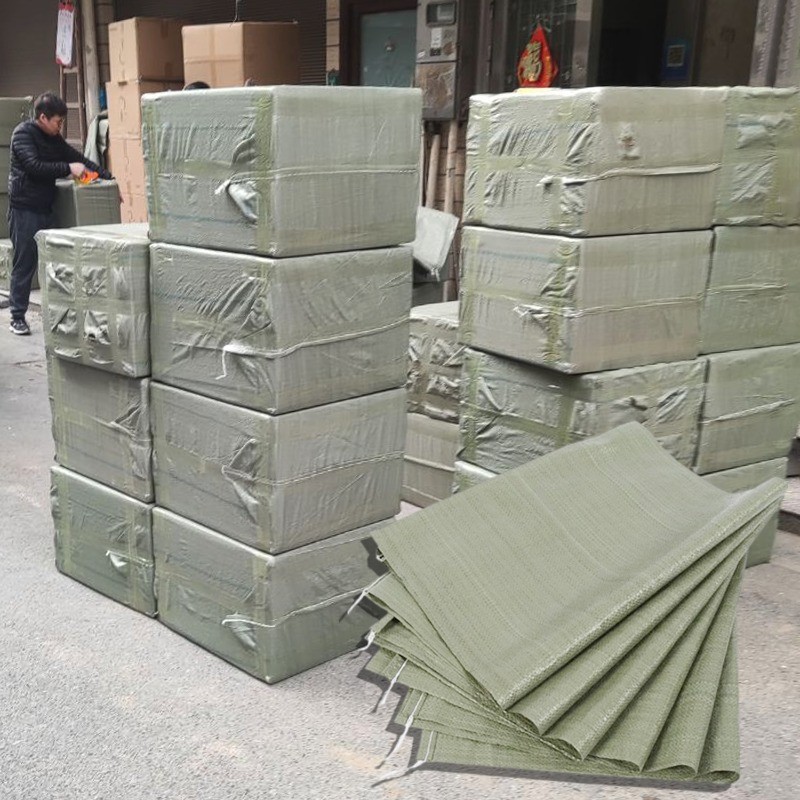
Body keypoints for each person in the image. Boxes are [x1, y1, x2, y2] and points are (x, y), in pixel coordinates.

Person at [6, 92, 111, 335]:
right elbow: (34, 167)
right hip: (25, 209)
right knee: (25, 263)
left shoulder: (54, 140)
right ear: (43, 117)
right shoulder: (23, 134)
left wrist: (109, 180)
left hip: (46, 208)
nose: (60, 126)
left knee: (56, 263)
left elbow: (79, 160)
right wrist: (68, 168)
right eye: (58, 121)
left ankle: (61, 315)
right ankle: (17, 317)